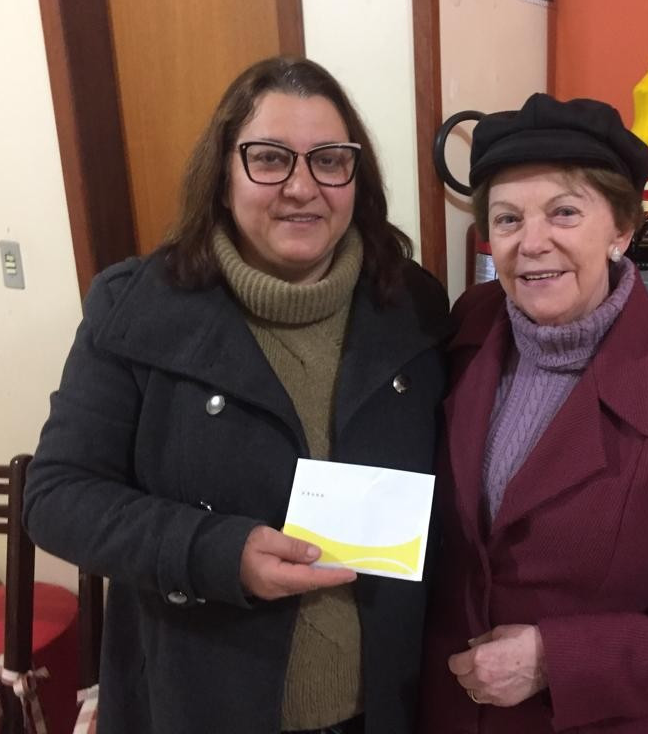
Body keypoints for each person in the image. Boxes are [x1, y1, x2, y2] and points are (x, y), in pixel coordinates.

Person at [24, 56, 449, 734]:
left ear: (356, 177)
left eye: (329, 161)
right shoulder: (137, 307)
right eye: (270, 159)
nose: (302, 188)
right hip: (201, 703)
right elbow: (55, 498)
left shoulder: (413, 307)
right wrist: (214, 552)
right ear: (223, 176)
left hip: (384, 706)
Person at [418, 93, 648, 733]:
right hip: (448, 713)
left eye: (564, 212)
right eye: (507, 219)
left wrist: (552, 660)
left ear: (620, 230)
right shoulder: (469, 329)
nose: (532, 243)